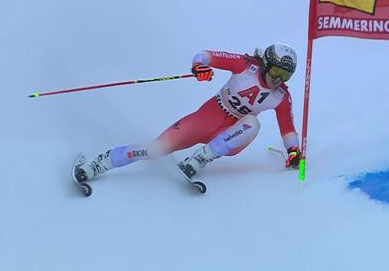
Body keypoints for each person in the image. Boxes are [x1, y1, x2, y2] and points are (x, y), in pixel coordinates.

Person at [75, 43, 301, 182]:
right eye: (277, 71)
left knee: (252, 123)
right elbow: (205, 55)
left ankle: (200, 159)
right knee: (156, 149)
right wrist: (199, 67)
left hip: (230, 135)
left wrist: (293, 152)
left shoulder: (281, 96)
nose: (279, 78)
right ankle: (99, 164)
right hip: (208, 116)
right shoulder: (244, 65)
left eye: (286, 75)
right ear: (266, 64)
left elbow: (288, 129)